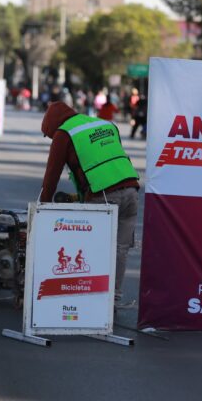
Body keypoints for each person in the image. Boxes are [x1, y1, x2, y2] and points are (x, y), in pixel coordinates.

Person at [40, 101, 140, 308]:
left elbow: (51, 176)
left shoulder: (63, 134)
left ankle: (94, 299)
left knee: (92, 247)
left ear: (51, 124)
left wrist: (42, 207)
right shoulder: (103, 124)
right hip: (131, 191)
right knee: (120, 249)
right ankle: (113, 299)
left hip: (104, 194)